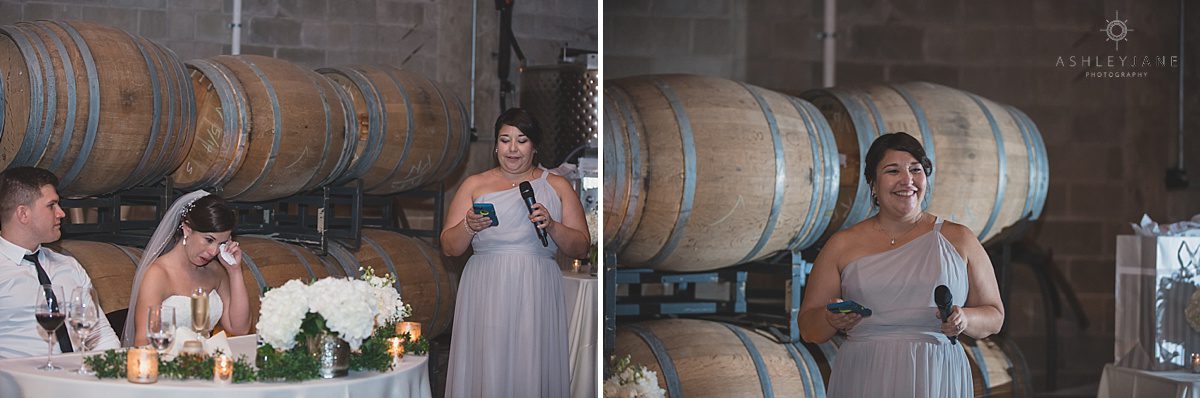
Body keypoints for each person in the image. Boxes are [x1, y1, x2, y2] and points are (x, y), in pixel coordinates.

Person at [798, 132, 1005, 397]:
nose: (907, 180)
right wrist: (830, 318)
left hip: (936, 375)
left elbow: (995, 316)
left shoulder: (960, 238)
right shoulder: (842, 244)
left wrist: (965, 318)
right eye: (893, 171)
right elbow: (808, 328)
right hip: (866, 375)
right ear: (873, 184)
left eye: (915, 170)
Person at [442, 108, 591, 397]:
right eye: (504, 139)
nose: (512, 148)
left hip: (535, 287)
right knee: (487, 361)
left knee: (530, 361)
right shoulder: (475, 184)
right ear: (495, 145)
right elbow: (449, 247)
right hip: (486, 287)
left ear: (534, 147)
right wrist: (468, 226)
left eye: (521, 140)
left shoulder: (557, 185)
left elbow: (582, 246)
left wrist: (552, 226)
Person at [0, 167, 122, 358]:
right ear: (23, 214)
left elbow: (99, 335)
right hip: (19, 383)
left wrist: (114, 373)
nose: (61, 213)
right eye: (52, 205)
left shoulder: (69, 265)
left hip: (76, 379)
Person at [123, 190, 251, 346]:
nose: (214, 251)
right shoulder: (158, 274)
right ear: (187, 229)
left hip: (205, 363)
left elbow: (240, 328)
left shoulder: (215, 272)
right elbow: (143, 341)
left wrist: (234, 271)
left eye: (221, 244)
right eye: (209, 240)